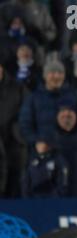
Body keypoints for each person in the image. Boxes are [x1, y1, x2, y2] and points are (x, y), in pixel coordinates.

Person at [19, 60, 77, 150]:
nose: (56, 76)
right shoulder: (34, 98)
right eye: (52, 72)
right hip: (44, 151)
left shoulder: (74, 95)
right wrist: (36, 142)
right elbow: (25, 124)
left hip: (70, 149)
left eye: (60, 73)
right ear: (45, 76)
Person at [0, 59, 27, 197]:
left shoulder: (18, 88)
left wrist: (15, 131)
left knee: (15, 189)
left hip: (14, 146)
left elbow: (26, 115)